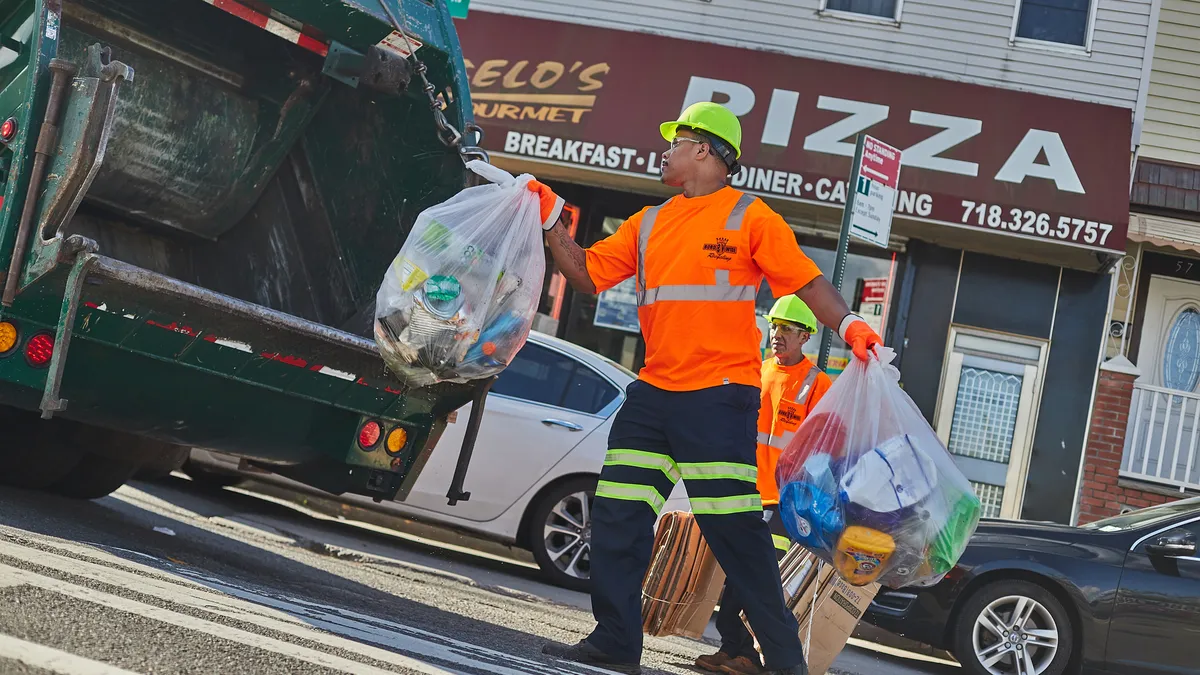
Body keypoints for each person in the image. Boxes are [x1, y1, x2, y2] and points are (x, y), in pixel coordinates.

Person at [528, 101, 883, 675]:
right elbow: (587, 273)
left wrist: (849, 326)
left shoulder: (750, 217)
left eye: (677, 139)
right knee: (617, 513)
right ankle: (617, 640)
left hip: (718, 398)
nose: (664, 149)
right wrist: (551, 224)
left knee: (734, 532)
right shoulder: (647, 223)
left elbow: (806, 281)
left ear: (705, 150)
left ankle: (786, 663)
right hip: (654, 393)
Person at [696, 296, 832, 675]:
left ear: (805, 337)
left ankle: (750, 657)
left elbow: (824, 446)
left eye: (787, 329)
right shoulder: (757, 370)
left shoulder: (817, 383)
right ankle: (731, 648)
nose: (777, 335)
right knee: (736, 574)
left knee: (758, 578)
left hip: (782, 500)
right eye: (774, 326)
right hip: (745, 490)